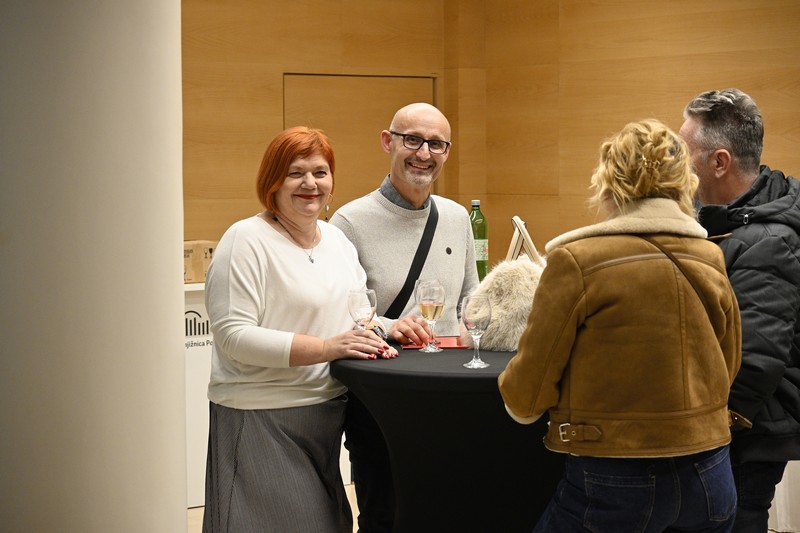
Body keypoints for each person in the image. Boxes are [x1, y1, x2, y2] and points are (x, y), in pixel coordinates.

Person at [499, 119, 742, 532]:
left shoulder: (577, 260)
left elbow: (529, 391)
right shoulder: (709, 255)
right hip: (710, 473)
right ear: (683, 181)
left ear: (609, 180)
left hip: (615, 476)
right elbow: (728, 363)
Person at [202, 126, 397, 533]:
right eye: (295, 173)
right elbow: (234, 336)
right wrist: (326, 348)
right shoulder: (245, 240)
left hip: (328, 414)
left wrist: (394, 327)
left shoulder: (337, 241)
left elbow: (355, 317)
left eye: (320, 172)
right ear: (272, 182)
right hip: (261, 417)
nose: (311, 183)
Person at [330, 102, 480, 532]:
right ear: (388, 142)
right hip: (382, 398)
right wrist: (388, 326)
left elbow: (470, 299)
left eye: (436, 144)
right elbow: (341, 313)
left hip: (449, 395)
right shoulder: (349, 222)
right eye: (412, 140)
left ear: (447, 151)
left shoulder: (456, 218)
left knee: (448, 513)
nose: (424, 154)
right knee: (386, 516)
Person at [680, 88, 800, 532]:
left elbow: (753, 364)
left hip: (745, 439)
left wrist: (694, 430)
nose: (676, 163)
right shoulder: (726, 219)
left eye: (684, 152)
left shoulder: (768, 240)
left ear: (720, 162)